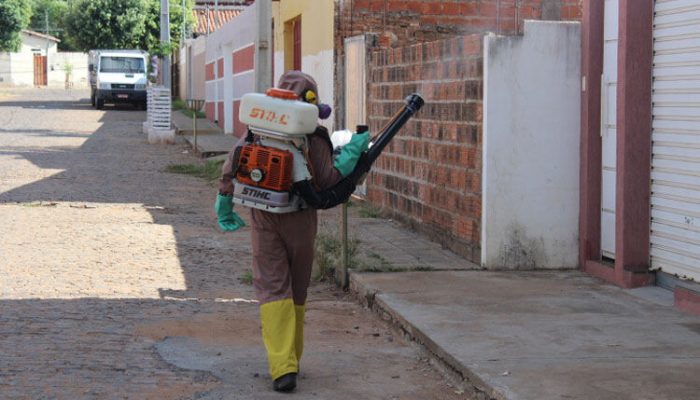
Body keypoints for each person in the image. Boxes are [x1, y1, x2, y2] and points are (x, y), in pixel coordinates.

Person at [214, 71, 369, 392]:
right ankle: (291, 360)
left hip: (262, 216)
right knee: (297, 288)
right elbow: (326, 182)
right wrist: (354, 151)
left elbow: (232, 165)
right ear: (312, 101)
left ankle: (282, 365)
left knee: (272, 287)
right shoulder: (312, 135)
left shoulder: (257, 129)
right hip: (300, 217)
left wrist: (224, 203)